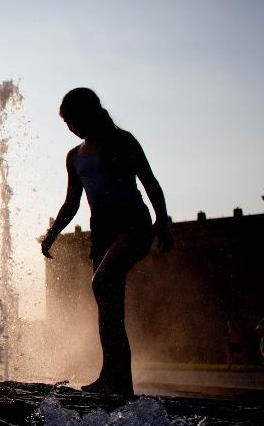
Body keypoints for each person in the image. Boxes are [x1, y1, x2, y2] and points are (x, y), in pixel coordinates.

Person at [40, 87, 173, 395]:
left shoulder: (122, 141)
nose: (71, 128)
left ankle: (117, 380)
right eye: (66, 124)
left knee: (102, 283)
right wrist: (52, 235)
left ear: (89, 113)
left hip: (133, 224)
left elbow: (150, 181)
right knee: (109, 308)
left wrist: (162, 223)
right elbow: (72, 202)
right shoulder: (74, 157)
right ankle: (116, 380)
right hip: (102, 229)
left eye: (73, 120)